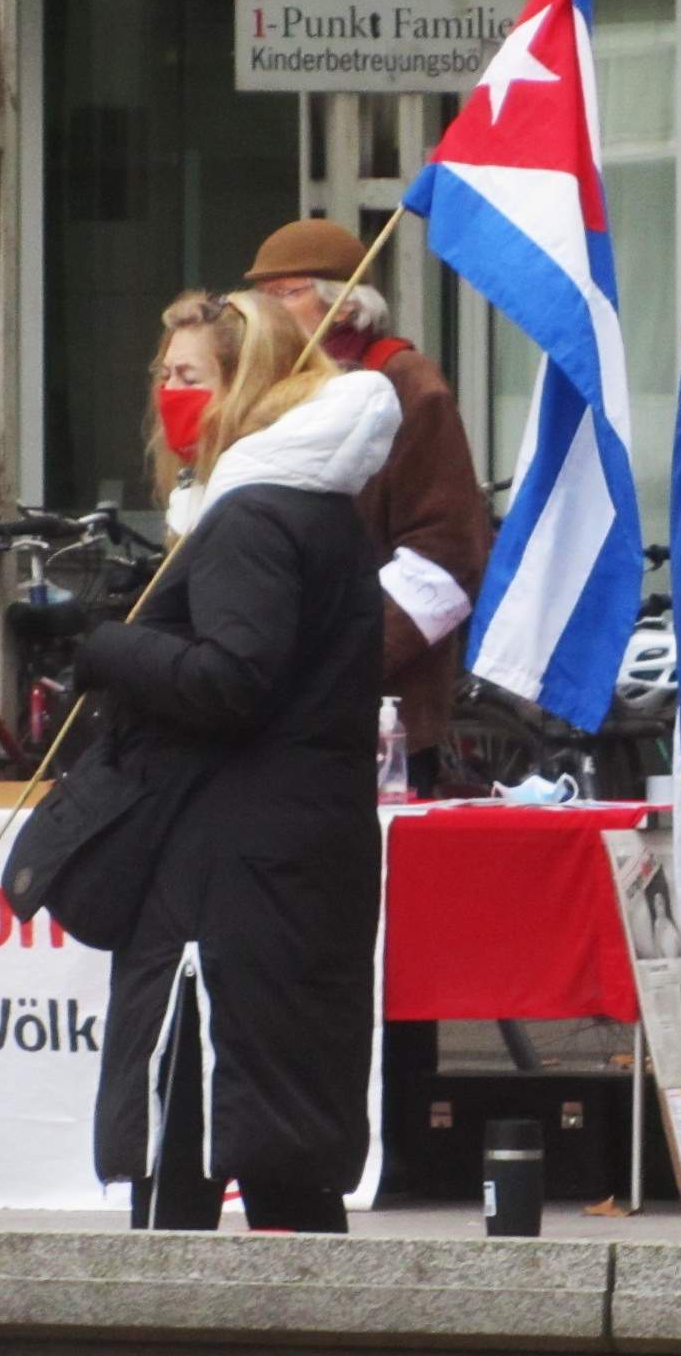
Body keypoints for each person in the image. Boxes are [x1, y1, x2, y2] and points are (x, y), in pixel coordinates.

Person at [82, 289, 402, 1232]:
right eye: (162, 377)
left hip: (227, 882)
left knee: (196, 1143)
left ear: (249, 387)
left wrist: (108, 647)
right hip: (294, 864)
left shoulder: (253, 515)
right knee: (289, 1157)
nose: (167, 396)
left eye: (189, 377)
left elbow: (232, 680)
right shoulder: (312, 506)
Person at [245, 220, 490, 790]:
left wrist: (338, 659)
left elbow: (447, 557)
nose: (268, 310)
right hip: (268, 710)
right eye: (262, 296)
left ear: (345, 305)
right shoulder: (265, 392)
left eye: (286, 293)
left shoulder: (409, 386)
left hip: (377, 722)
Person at [145, 289, 236, 528]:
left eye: (190, 379)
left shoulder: (250, 500)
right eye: (166, 376)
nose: (171, 390)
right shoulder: (189, 489)